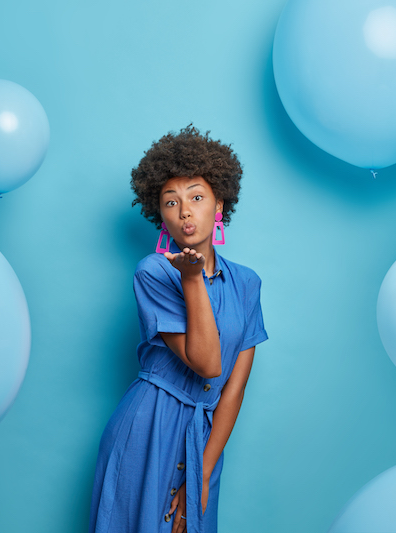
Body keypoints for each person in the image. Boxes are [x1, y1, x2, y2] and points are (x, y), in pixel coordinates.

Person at [89, 125, 268, 533]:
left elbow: (233, 387)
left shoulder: (247, 283)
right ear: (161, 217)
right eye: (171, 202)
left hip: (205, 439)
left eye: (197, 197)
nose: (185, 211)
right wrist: (190, 279)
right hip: (146, 430)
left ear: (218, 204)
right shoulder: (153, 272)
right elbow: (206, 363)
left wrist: (201, 475)